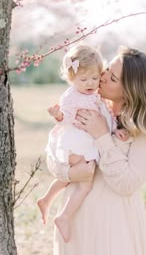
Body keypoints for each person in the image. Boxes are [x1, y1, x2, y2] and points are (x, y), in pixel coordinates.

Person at [47, 46, 146, 255]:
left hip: (113, 224)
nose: (102, 77)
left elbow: (127, 184)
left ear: (130, 89)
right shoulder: (88, 104)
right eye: (106, 69)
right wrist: (68, 173)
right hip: (74, 218)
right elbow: (56, 151)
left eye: (112, 78)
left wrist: (103, 136)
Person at [37, 44, 129, 243]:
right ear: (71, 78)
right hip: (74, 141)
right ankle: (64, 217)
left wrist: (116, 130)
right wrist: (58, 114)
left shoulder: (96, 95)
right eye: (84, 79)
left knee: (72, 178)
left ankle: (46, 200)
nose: (90, 83)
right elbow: (66, 118)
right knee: (84, 182)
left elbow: (105, 117)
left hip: (86, 142)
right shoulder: (71, 96)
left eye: (95, 78)